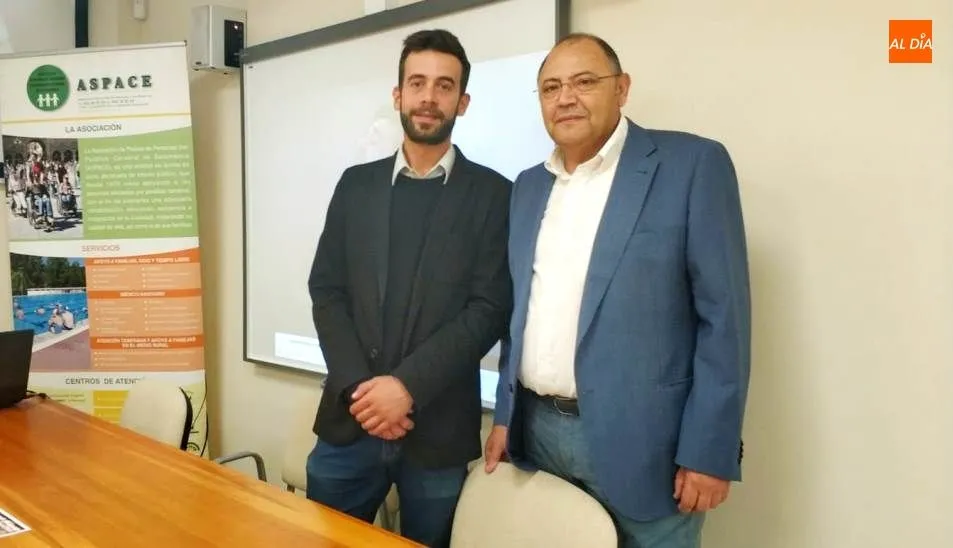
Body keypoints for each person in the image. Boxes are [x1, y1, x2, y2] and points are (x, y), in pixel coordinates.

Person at [484, 33, 751, 548]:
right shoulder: (528, 186)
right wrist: (505, 416)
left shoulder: (692, 166)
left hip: (649, 447)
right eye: (550, 87)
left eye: (585, 82)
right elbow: (522, 313)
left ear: (622, 88)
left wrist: (709, 450)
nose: (566, 98)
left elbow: (725, 323)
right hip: (538, 435)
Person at [306, 29, 512, 548]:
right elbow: (326, 290)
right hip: (349, 423)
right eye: (416, 83)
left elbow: (488, 309)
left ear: (462, 103)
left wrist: (406, 389)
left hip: (438, 431)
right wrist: (361, 390)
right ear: (397, 95)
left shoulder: (494, 195)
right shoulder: (356, 185)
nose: (428, 97)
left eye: (444, 87)